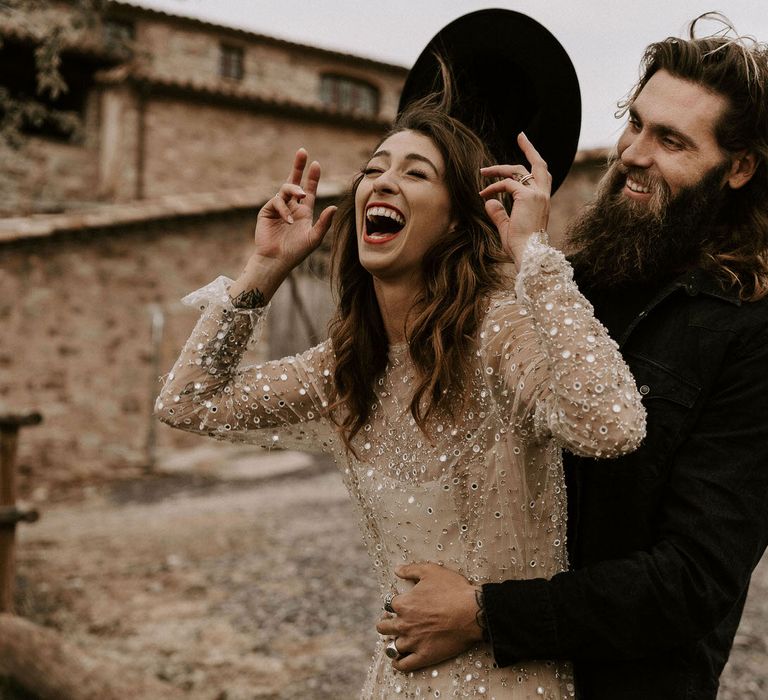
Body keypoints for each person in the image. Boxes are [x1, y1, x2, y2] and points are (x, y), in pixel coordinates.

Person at [155, 90, 646, 697]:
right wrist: (264, 269)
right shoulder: (343, 369)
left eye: (415, 173)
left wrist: (533, 254)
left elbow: (612, 424)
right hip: (399, 681)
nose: (383, 182)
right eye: (374, 170)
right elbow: (187, 402)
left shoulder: (499, 332)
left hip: (514, 682)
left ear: (456, 221)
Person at [375, 14, 768, 700]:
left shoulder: (751, 333)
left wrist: (483, 614)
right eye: (636, 124)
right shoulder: (566, 280)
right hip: (486, 678)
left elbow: (693, 580)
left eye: (671, 140)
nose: (633, 154)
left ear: (738, 168)